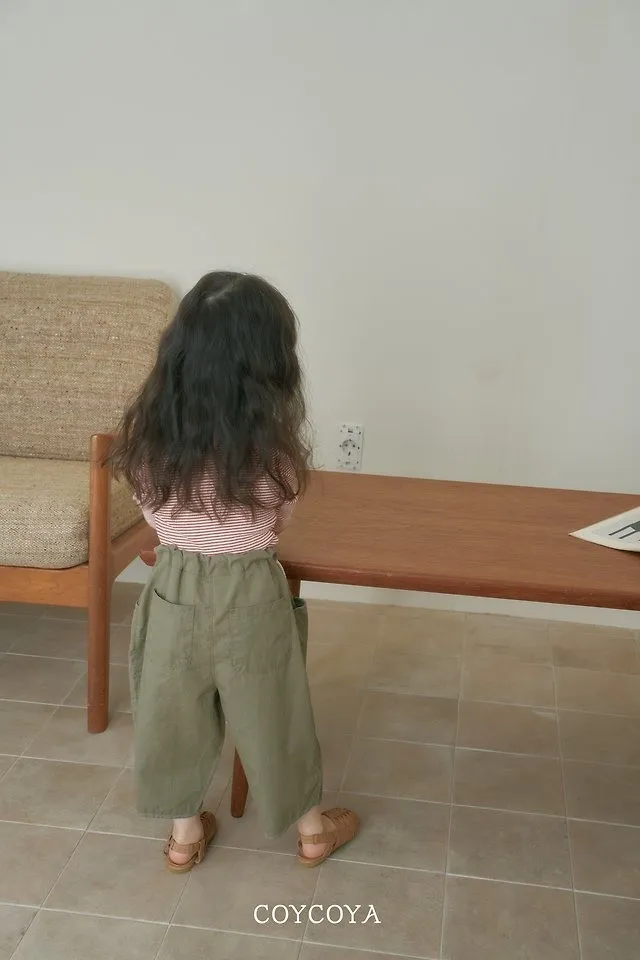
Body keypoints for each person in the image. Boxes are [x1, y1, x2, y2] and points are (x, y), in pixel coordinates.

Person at [110, 271, 359, 873]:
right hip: (250, 590)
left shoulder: (150, 446)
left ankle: (183, 835)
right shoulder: (272, 457)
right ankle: (310, 831)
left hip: (173, 586)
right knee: (274, 709)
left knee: (171, 708)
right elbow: (276, 522)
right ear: (269, 367)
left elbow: (152, 511)